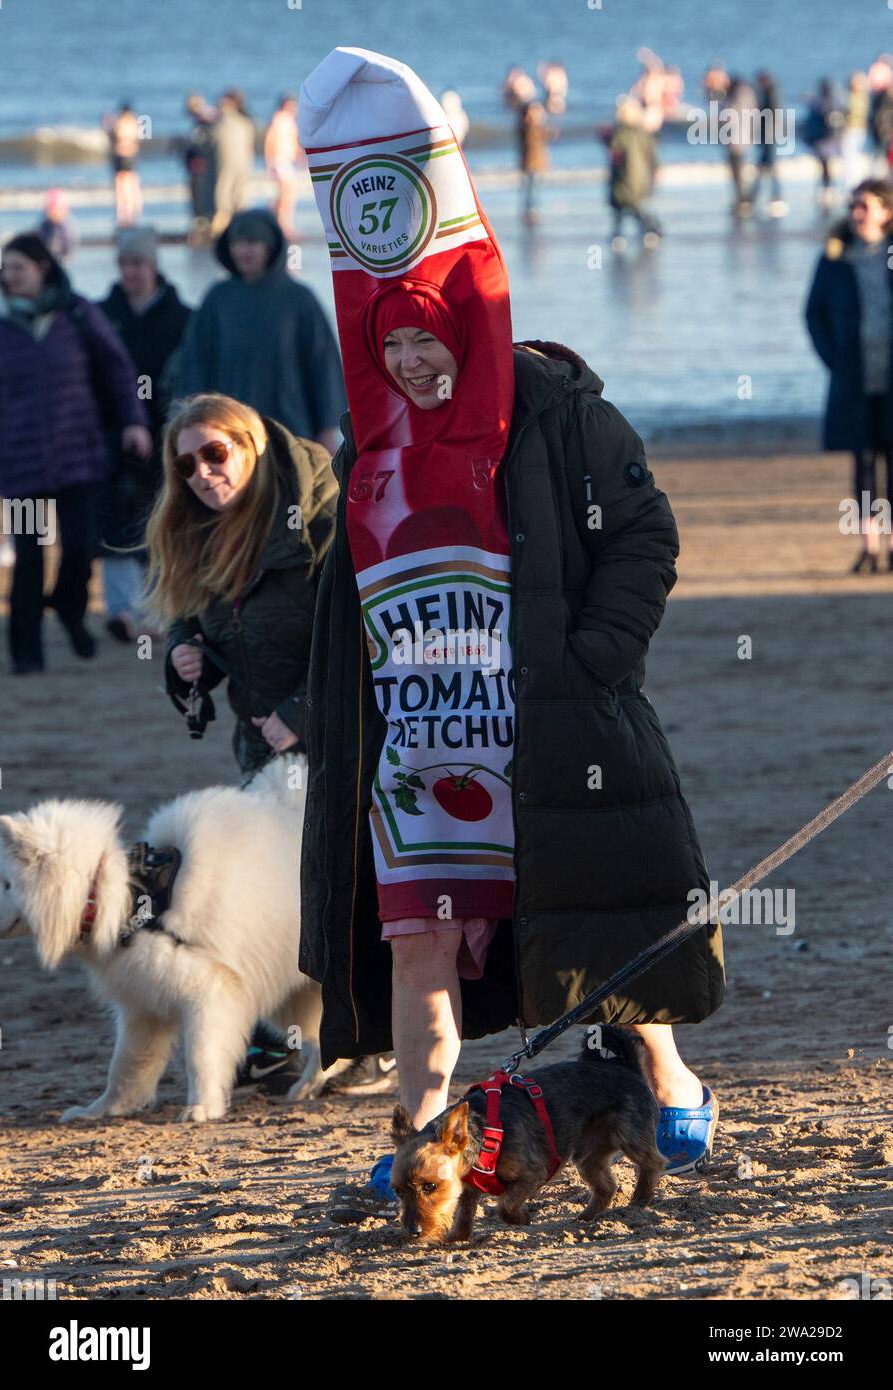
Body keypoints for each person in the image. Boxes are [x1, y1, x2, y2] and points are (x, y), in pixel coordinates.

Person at [298, 47, 724, 1214]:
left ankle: (669, 1074)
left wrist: (591, 665)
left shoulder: (555, 405)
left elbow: (645, 536)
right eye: (392, 344)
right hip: (421, 757)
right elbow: (348, 600)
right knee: (418, 948)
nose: (415, 359)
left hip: (551, 726)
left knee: (587, 937)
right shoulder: (367, 444)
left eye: (429, 334)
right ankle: (425, 1135)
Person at [149, 392, 392, 1094]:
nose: (201, 473)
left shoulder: (317, 521)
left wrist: (303, 714)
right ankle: (284, 1043)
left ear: (251, 446)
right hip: (258, 748)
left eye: (215, 454)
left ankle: (367, 1044)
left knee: (343, 886)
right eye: (187, 462)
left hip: (339, 736)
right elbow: (189, 618)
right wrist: (184, 657)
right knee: (275, 892)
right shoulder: (194, 528)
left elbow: (359, 635)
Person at [0, 233, 150, 673]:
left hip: (78, 459)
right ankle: (27, 652)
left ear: (43, 268)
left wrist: (135, 422)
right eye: (6, 269)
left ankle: (70, 609)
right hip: (19, 464)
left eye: (18, 268)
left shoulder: (78, 313)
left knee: (81, 549)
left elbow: (118, 371)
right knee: (27, 556)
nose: (9, 276)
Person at [178, 208, 345, 455]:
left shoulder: (298, 299)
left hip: (291, 429)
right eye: (237, 243)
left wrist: (327, 429)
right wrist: (194, 418)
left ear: (270, 246)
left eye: (252, 242)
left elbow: (323, 366)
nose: (243, 251)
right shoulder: (218, 299)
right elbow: (195, 361)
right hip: (229, 429)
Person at [97, 226, 191, 641]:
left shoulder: (182, 316)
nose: (130, 271)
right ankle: (121, 610)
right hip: (112, 431)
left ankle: (155, 611)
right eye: (124, 263)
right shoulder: (101, 315)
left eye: (138, 263)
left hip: (169, 430)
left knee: (160, 515)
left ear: (154, 266)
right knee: (114, 516)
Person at [806, 179, 893, 573]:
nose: (856, 212)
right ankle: (868, 546)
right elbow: (814, 313)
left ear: (886, 211)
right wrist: (835, 360)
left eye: (865, 205)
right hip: (854, 379)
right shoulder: (835, 257)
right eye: (853, 205)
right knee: (862, 462)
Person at [607, 96, 661, 250]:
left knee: (623, 209)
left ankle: (619, 236)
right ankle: (650, 232)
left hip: (624, 177)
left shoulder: (620, 133)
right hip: (641, 178)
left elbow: (615, 154)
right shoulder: (643, 133)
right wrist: (654, 173)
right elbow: (653, 157)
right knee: (638, 207)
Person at [211, 89, 256, 236]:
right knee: (237, 195)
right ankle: (238, 227)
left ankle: (224, 228)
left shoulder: (225, 120)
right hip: (241, 163)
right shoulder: (246, 122)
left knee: (225, 194)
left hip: (232, 164)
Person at [750, 71, 787, 217]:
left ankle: (773, 196)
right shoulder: (770, 92)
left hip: (769, 137)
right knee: (766, 168)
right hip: (769, 136)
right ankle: (762, 196)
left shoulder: (770, 93)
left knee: (768, 168)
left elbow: (768, 115)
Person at [264, 94, 302, 236]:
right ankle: (283, 224)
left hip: (285, 160)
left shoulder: (289, 120)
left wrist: (299, 155)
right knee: (288, 192)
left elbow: (292, 141)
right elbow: (270, 139)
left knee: (286, 193)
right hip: (279, 160)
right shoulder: (279, 118)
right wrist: (270, 160)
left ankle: (277, 221)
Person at [803, 79, 844, 206]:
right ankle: (828, 188)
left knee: (825, 165)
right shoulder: (833, 101)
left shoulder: (825, 102)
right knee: (825, 165)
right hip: (825, 140)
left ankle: (828, 189)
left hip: (825, 140)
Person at [183, 94, 217, 244]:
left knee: (202, 196)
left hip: (202, 168)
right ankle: (202, 224)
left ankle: (204, 226)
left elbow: (204, 147)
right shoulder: (199, 124)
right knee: (198, 196)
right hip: (198, 168)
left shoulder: (205, 123)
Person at [722, 76, 757, 216]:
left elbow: (729, 115)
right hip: (743, 139)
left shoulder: (737, 97)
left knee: (737, 173)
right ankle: (743, 200)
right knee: (740, 172)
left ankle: (742, 201)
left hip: (736, 140)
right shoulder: (749, 96)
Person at [105, 102, 142, 227]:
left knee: (122, 187)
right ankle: (131, 214)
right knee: (131, 186)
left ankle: (124, 216)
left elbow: (116, 136)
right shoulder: (135, 122)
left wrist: (109, 124)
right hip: (131, 156)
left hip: (122, 156)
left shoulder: (122, 122)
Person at [516, 99, 551, 225]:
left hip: (538, 163)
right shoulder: (527, 127)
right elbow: (530, 140)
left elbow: (546, 137)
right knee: (531, 188)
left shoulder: (537, 127)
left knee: (535, 187)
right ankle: (530, 209)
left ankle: (533, 209)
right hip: (530, 163)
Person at [841, 73, 870, 192]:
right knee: (853, 158)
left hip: (854, 130)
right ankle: (853, 183)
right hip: (857, 131)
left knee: (852, 158)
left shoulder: (854, 99)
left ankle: (854, 184)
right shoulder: (864, 98)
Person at [38, 189, 78, 260]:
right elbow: (39, 237)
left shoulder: (66, 225)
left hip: (61, 254)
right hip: (47, 254)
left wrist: (66, 255)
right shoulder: (45, 224)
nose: (53, 213)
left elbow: (70, 242)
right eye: (50, 210)